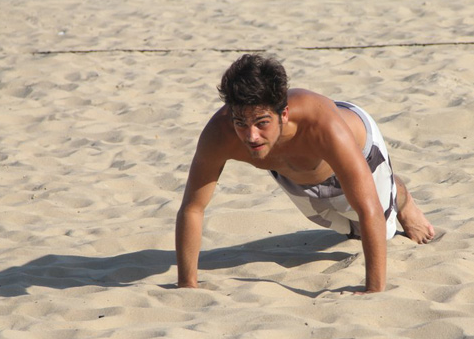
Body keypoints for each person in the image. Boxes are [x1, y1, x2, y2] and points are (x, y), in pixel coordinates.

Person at [176, 54, 434, 293]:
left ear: (283, 114)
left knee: (379, 226)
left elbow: (370, 210)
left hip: (357, 145)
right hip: (296, 171)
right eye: (240, 123)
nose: (251, 136)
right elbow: (192, 207)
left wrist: (373, 292)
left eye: (262, 123)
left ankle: (402, 197)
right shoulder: (219, 134)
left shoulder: (322, 126)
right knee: (351, 230)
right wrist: (187, 285)